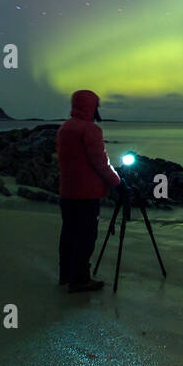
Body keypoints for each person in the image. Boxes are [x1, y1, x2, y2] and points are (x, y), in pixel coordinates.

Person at [55, 89, 122, 292]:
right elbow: (101, 163)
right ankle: (80, 279)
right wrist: (118, 182)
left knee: (68, 234)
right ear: (91, 107)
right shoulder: (90, 130)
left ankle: (65, 275)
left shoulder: (65, 128)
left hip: (67, 191)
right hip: (87, 194)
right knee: (86, 236)